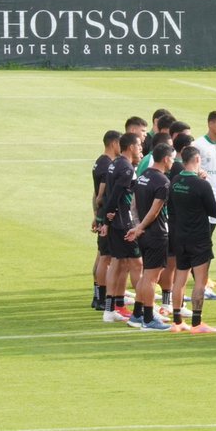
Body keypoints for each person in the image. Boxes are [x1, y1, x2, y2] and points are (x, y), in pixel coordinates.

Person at [168, 146, 216, 333]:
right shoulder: (201, 184)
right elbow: (214, 211)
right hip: (199, 237)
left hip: (179, 236)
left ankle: (177, 321)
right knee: (200, 280)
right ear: (197, 159)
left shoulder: (175, 181)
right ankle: (197, 323)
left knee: (179, 278)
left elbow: (171, 208)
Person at [124, 143, 174, 331]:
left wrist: (137, 226)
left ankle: (137, 314)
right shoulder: (163, 182)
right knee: (152, 278)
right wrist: (140, 227)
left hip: (144, 233)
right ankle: (148, 318)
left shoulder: (143, 176)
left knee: (147, 275)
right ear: (166, 159)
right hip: (156, 234)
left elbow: (134, 205)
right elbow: (155, 211)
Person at [97, 132, 143, 324]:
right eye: (139, 145)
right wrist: (107, 220)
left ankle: (111, 309)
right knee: (137, 264)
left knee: (118, 263)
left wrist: (105, 219)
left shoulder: (115, 163)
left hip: (117, 222)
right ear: (131, 147)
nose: (141, 149)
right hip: (124, 223)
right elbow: (115, 194)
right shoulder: (126, 168)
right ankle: (143, 310)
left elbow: (107, 193)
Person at [91, 129, 121, 311]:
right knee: (106, 257)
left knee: (103, 256)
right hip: (106, 217)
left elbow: (95, 195)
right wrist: (102, 216)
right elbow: (100, 195)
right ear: (113, 143)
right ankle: (101, 298)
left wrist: (96, 215)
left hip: (101, 215)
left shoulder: (100, 162)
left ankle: (98, 297)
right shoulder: (106, 165)